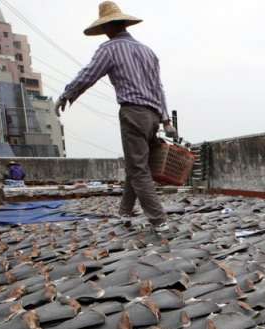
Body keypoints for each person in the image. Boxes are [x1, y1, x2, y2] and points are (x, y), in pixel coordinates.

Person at [54, 1, 175, 232]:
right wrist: (166, 120)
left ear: (108, 27)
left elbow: (88, 74)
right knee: (135, 163)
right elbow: (159, 88)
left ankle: (159, 221)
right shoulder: (148, 52)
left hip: (133, 112)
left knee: (139, 169)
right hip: (153, 117)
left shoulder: (109, 49)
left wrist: (67, 94)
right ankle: (125, 212)